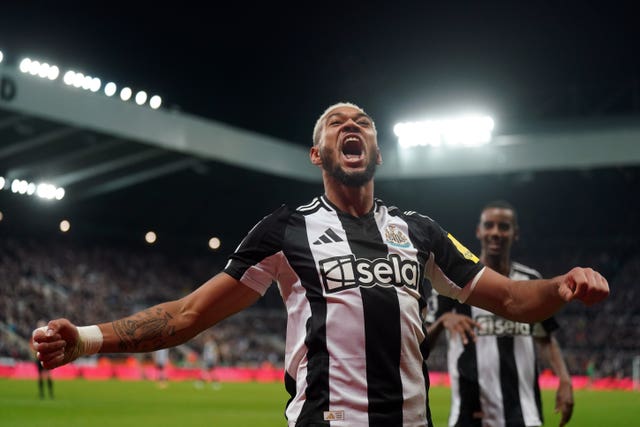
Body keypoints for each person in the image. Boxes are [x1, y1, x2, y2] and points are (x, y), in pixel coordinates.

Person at [32, 102, 609, 427]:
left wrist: (563, 284)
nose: (350, 125)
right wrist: (84, 338)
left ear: (377, 153)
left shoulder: (421, 232)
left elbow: (511, 300)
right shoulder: (285, 231)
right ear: (317, 154)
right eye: (336, 122)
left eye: (361, 122)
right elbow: (187, 315)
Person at [426, 200, 574, 427]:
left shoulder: (530, 280)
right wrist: (444, 320)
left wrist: (564, 380)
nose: (496, 232)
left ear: (515, 233)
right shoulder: (453, 280)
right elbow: (422, 342)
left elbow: (545, 338)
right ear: (479, 231)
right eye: (489, 225)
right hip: (470, 415)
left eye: (504, 227)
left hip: (524, 414)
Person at [31, 320, 54, 399]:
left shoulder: (47, 335)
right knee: (40, 376)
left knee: (48, 375)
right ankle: (42, 394)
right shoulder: (35, 335)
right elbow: (33, 346)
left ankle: (50, 394)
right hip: (39, 357)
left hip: (46, 357)